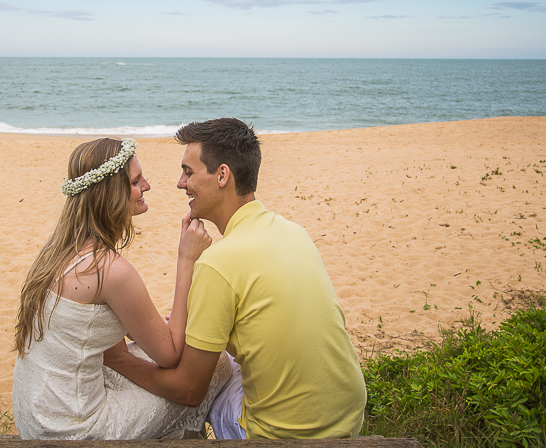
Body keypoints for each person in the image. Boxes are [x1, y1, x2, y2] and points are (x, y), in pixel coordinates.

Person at [103, 118, 367, 439]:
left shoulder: (218, 262)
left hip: (281, 435)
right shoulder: (294, 232)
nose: (180, 183)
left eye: (188, 172)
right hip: (349, 419)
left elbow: (188, 391)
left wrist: (118, 359)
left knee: (207, 386)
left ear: (223, 175)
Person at [13, 137, 231, 439]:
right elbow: (170, 355)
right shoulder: (109, 270)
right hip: (71, 430)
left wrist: (142, 344)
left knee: (143, 353)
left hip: (36, 414)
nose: (147, 185)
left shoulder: (58, 250)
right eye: (136, 180)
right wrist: (187, 259)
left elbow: (97, 332)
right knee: (216, 365)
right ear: (110, 194)